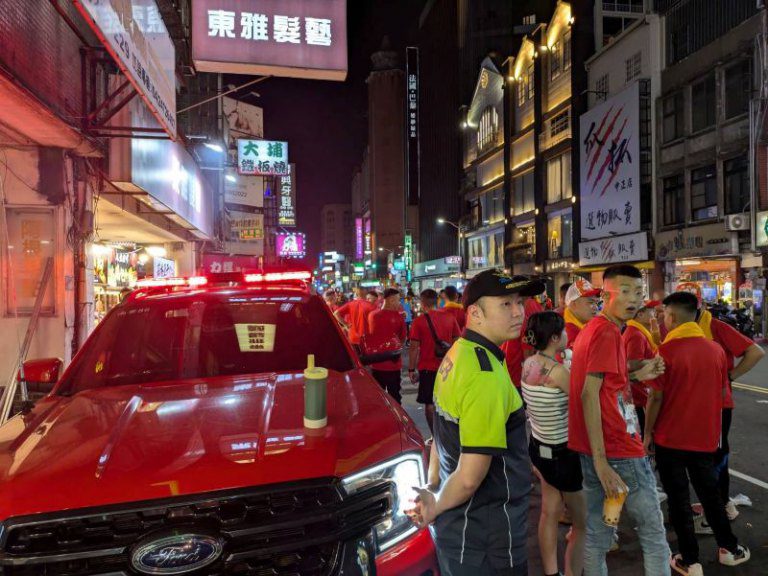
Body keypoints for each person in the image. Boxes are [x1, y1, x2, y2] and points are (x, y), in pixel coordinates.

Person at [407, 269, 546, 575]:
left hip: (459, 533)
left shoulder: (459, 353)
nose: (518, 312)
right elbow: (470, 477)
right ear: (475, 313)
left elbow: (441, 437)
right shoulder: (485, 375)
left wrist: (434, 489)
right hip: (488, 536)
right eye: (505, 304)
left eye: (519, 302)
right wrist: (435, 505)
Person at [568, 264, 670, 576]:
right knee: (654, 536)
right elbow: (589, 393)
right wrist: (602, 462)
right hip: (618, 451)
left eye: (638, 292)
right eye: (624, 291)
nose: (633, 299)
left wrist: (639, 373)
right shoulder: (607, 332)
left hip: (593, 448)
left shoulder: (596, 329)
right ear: (606, 295)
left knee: (599, 534)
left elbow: (608, 385)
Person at [644, 292, 750, 575]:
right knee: (710, 494)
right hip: (704, 438)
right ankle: (730, 548)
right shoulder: (714, 350)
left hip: (670, 439)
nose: (663, 320)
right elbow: (719, 391)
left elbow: (655, 398)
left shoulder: (666, 352)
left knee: (679, 499)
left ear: (674, 317)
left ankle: (689, 561)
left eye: (664, 314)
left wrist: (647, 435)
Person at [679, 283, 765, 519]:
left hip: (716, 404)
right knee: (698, 455)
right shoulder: (678, 329)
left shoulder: (716, 327)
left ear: (700, 306)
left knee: (717, 452)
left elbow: (755, 351)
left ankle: (723, 504)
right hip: (691, 403)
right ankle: (710, 502)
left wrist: (730, 376)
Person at [521, 312, 585, 576]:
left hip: (538, 447)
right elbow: (583, 401)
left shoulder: (528, 364)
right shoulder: (558, 372)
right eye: (565, 332)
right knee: (582, 522)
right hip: (563, 453)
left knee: (549, 512)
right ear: (556, 337)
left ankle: (551, 572)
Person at [408, 289, 461, 433]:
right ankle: (449, 433)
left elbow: (414, 347)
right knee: (449, 400)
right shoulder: (449, 318)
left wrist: (411, 369)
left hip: (427, 367)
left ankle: (435, 435)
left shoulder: (419, 321)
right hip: (448, 367)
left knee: (430, 404)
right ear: (438, 301)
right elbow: (458, 341)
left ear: (422, 303)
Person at [622, 299, 661, 435]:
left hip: (638, 394)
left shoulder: (638, 331)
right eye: (651, 311)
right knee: (643, 436)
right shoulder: (636, 334)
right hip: (638, 396)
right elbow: (632, 363)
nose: (654, 314)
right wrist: (654, 362)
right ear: (640, 314)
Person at [367, 288, 407, 404]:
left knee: (378, 397)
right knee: (395, 396)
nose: (399, 303)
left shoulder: (372, 315)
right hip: (393, 364)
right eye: (397, 300)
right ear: (390, 300)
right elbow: (402, 339)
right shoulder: (399, 318)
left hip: (376, 363)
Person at [564, 279, 601, 349]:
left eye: (596, 303)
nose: (596, 307)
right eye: (590, 302)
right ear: (574, 304)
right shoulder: (571, 333)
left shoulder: (579, 327)